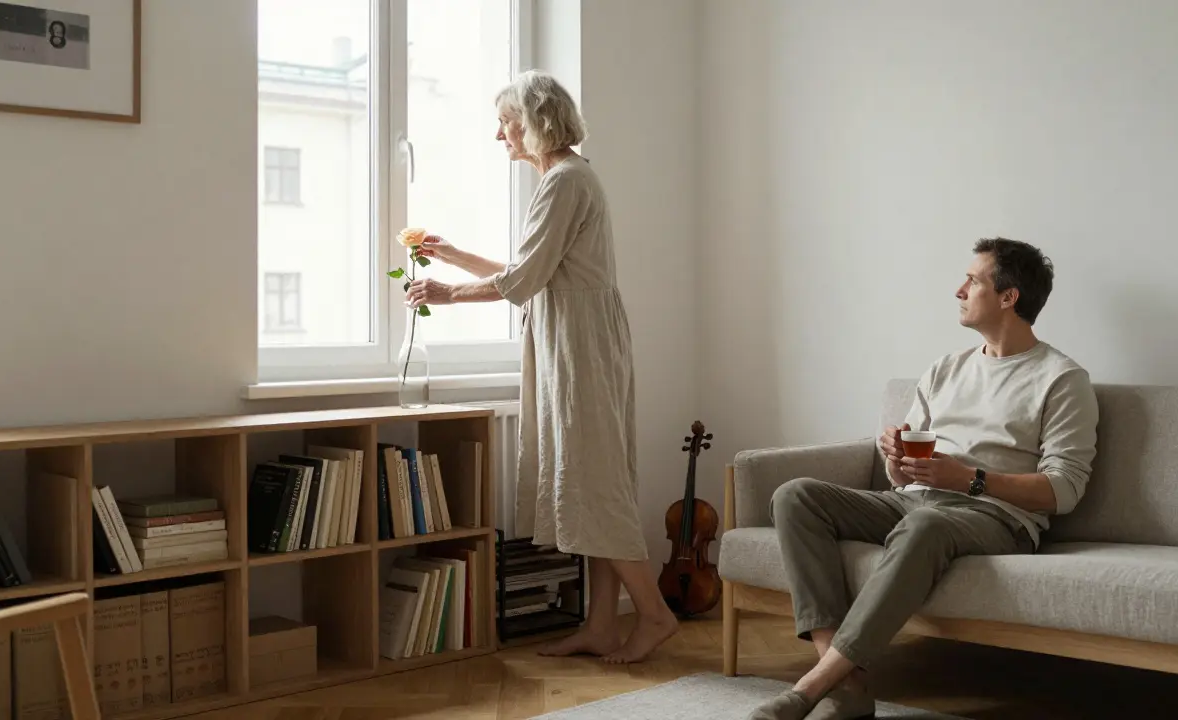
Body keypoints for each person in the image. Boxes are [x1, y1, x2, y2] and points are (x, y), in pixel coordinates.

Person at [749, 238, 1099, 720]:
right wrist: (896, 456)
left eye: (972, 280)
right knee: (795, 497)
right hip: (916, 501)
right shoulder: (946, 368)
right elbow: (900, 478)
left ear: (1008, 297)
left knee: (925, 524)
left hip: (996, 517)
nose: (959, 289)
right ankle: (843, 680)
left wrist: (969, 480)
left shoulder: (1061, 379)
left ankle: (809, 689)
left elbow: (1065, 490)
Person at [404, 70, 678, 664]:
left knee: (596, 484)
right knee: (592, 484)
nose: (498, 134)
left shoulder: (563, 182)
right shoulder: (567, 179)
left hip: (580, 347)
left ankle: (654, 614)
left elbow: (521, 281)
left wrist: (445, 293)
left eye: (505, 122)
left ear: (534, 122)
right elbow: (536, 270)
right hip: (577, 340)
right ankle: (604, 625)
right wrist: (451, 254)